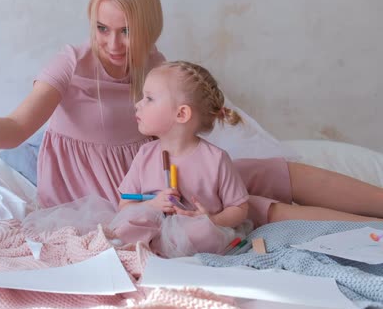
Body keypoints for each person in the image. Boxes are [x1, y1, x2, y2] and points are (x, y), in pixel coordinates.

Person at [0, 0, 383, 219]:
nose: (113, 44)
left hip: (163, 168)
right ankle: (366, 231)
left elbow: (175, 131)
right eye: (102, 28)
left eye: (126, 31)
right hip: (114, 196)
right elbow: (18, 128)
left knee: (270, 171)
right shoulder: (70, 64)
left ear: (148, 28)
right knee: (255, 210)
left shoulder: (155, 63)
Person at [111, 62, 381, 258]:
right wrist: (151, 203)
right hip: (185, 229)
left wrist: (213, 219)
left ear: (182, 114)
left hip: (220, 211)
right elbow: (126, 204)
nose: (137, 104)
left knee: (272, 181)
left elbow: (237, 208)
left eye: (148, 98)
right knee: (267, 210)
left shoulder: (215, 159)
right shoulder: (145, 155)